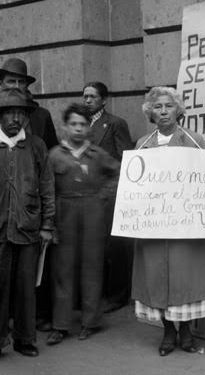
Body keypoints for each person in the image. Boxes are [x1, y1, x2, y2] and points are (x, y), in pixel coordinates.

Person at [132, 86, 205, 356]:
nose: (164, 111)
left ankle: (187, 333)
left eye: (169, 106)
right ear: (151, 112)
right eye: (158, 107)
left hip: (186, 224)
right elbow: (135, 183)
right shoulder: (143, 144)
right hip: (155, 224)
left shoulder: (194, 140)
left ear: (178, 109)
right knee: (158, 276)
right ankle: (168, 332)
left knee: (185, 276)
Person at [46, 104, 119, 345]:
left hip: (93, 214)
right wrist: (50, 222)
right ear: (65, 127)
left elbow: (118, 173)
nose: (78, 128)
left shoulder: (97, 154)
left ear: (89, 127)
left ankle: (90, 322)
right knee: (63, 269)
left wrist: (104, 195)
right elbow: (46, 187)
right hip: (64, 213)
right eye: (73, 124)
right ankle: (61, 324)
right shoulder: (55, 154)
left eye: (83, 124)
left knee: (92, 266)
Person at [1, 58, 59, 333]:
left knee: (27, 287)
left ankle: (26, 339)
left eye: (20, 113)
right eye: (9, 112)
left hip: (28, 225)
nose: (15, 118)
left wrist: (47, 223)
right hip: (1, 225)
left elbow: (47, 183)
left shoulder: (36, 144)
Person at [83, 81, 134, 313]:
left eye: (93, 96)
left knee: (115, 246)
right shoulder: (81, 125)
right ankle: (99, 293)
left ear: (104, 100)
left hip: (111, 193)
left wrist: (114, 188)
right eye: (85, 96)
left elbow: (125, 160)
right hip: (87, 194)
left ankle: (118, 295)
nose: (88, 100)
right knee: (94, 245)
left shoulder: (114, 124)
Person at [0, 58, 58, 150]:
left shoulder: (42, 115)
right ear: (1, 83)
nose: (16, 86)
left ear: (26, 86)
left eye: (21, 82)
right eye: (11, 81)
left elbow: (51, 154)